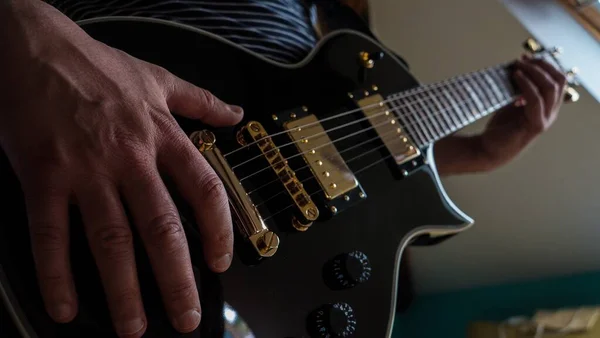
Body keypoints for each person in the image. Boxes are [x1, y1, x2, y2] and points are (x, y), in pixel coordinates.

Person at [0, 1, 567, 337]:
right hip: (88, 108)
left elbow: (351, 154)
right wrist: (28, 29)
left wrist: (475, 155)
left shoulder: (341, 35)